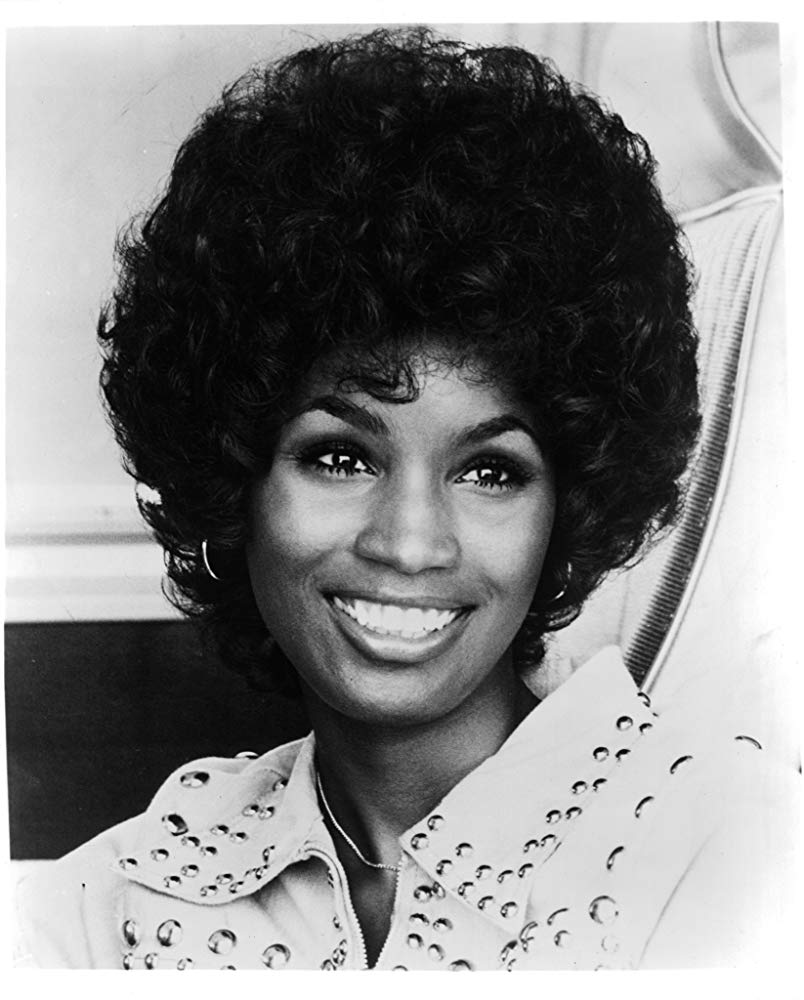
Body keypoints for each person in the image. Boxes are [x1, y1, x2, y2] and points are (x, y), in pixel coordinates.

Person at [14, 26, 792, 970]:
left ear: (572, 509)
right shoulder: (117, 903)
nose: (411, 542)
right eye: (341, 456)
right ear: (233, 476)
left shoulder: (737, 863)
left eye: (490, 471)